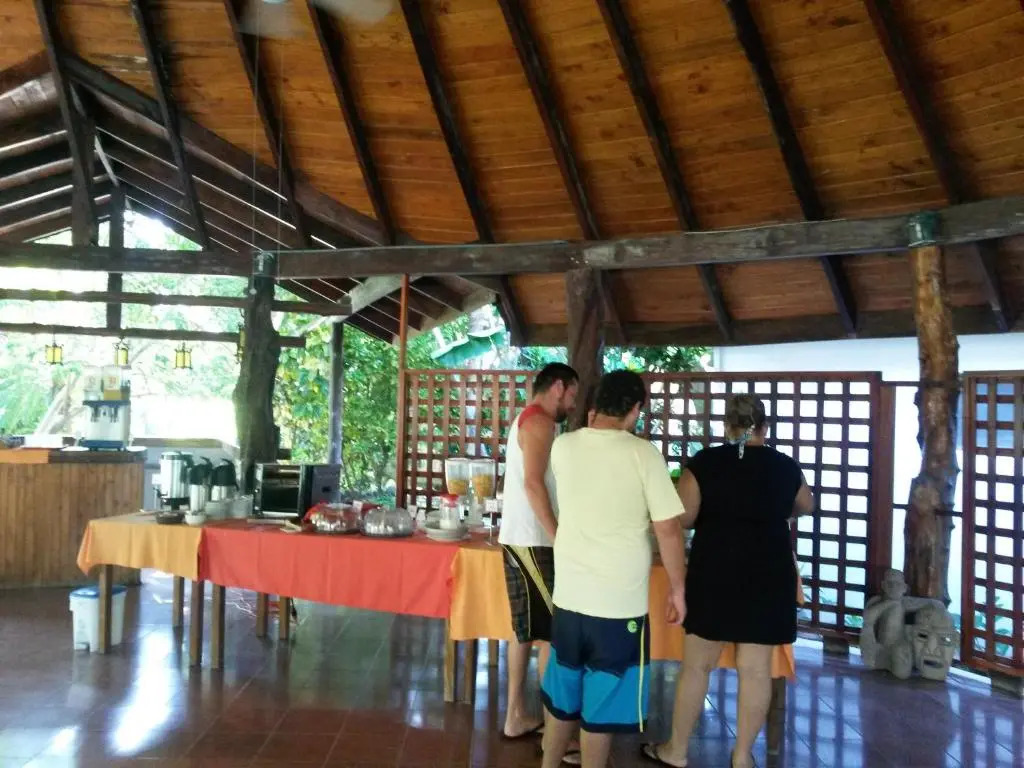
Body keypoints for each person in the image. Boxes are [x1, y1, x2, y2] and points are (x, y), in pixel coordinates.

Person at [644, 393, 814, 768]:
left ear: (727, 427)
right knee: (756, 671)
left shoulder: (705, 463)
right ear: (764, 427)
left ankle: (676, 751)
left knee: (696, 667)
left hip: (715, 572)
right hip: (769, 574)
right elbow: (806, 505)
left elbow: (684, 517)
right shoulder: (785, 465)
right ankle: (742, 757)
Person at [541, 370, 687, 768]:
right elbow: (668, 529)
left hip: (569, 601)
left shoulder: (564, 446)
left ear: (596, 403)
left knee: (561, 700)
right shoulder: (644, 454)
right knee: (600, 712)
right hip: (618, 609)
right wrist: (678, 588)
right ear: (635, 409)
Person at [498, 362, 579, 744]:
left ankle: (516, 715)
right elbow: (533, 484)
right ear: (558, 387)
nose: (573, 404)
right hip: (534, 540)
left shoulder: (528, 419)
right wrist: (557, 535)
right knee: (548, 634)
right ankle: (553, 732)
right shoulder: (540, 423)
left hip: (524, 538)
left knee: (526, 631)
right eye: (573, 395)